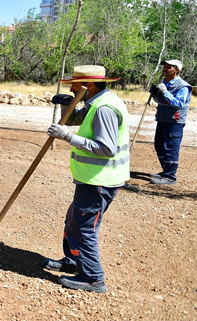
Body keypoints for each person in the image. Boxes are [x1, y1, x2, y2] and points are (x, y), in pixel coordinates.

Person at [44, 65, 129, 293]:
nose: (71, 88)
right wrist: (65, 104)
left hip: (100, 181)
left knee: (83, 227)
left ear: (88, 85)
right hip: (91, 178)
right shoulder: (95, 103)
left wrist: (68, 137)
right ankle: (74, 261)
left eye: (74, 84)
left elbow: (106, 148)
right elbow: (73, 118)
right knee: (73, 221)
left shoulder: (105, 109)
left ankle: (93, 278)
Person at [149, 59, 192, 185]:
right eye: (165, 67)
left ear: (176, 70)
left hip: (175, 122)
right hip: (162, 120)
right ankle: (165, 171)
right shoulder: (164, 83)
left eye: (169, 67)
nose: (165, 69)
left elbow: (178, 104)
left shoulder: (183, 86)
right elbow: (161, 101)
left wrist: (165, 91)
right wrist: (155, 95)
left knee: (170, 148)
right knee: (159, 146)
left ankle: (170, 176)